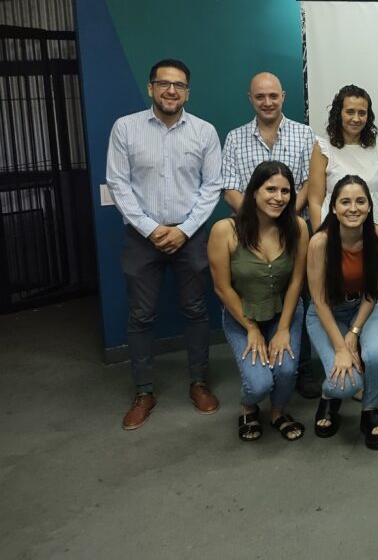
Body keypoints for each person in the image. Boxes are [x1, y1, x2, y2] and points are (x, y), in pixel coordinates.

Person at [106, 58, 222, 431]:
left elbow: (212, 186)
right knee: (141, 316)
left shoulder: (204, 132)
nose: (172, 91)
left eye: (179, 85)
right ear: (151, 88)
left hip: (191, 236)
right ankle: (144, 391)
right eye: (164, 84)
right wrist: (150, 229)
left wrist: (184, 230)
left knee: (196, 310)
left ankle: (199, 382)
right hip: (142, 238)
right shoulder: (125, 128)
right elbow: (118, 183)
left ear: (187, 91)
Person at [221, 72, 319, 399]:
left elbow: (309, 183)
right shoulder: (235, 138)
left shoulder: (305, 134)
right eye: (260, 96)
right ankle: (258, 357)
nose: (267, 102)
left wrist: (284, 216)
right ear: (250, 98)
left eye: (273, 96)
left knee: (296, 295)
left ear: (283, 97)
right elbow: (230, 187)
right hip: (249, 235)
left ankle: (300, 368)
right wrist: (258, 217)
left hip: (292, 232)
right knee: (256, 293)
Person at [208, 162, 309, 442]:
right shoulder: (224, 230)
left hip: (283, 312)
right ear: (254, 191)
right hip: (242, 314)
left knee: (286, 371)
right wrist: (251, 328)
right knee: (259, 383)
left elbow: (297, 281)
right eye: (271, 189)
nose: (279, 197)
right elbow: (222, 287)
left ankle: (278, 412)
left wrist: (284, 328)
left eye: (285, 191)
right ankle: (248, 406)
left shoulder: (298, 227)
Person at [306, 176, 378, 449]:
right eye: (345, 202)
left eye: (360, 201)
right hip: (327, 311)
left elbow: (375, 289)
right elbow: (319, 301)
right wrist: (341, 347)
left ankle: (369, 410)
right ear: (333, 208)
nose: (353, 208)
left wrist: (354, 333)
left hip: (366, 306)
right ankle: (328, 397)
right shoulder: (320, 242)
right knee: (345, 384)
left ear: (370, 207)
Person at [307, 84, 378, 231]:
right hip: (333, 232)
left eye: (362, 113)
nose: (356, 119)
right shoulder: (323, 148)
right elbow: (315, 201)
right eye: (350, 112)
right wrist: (319, 236)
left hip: (375, 231)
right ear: (338, 113)